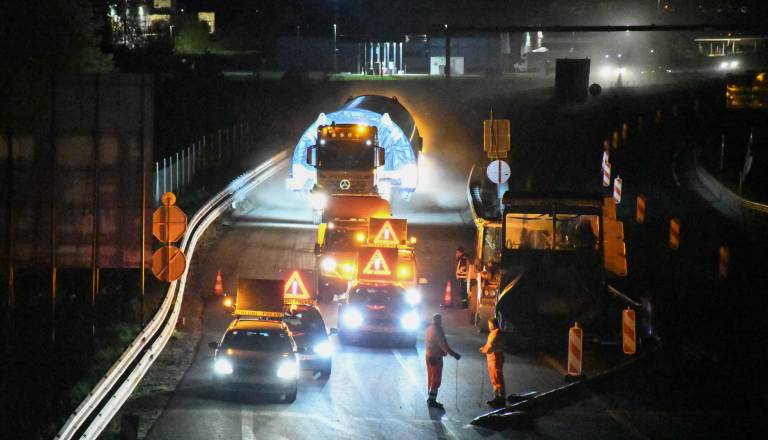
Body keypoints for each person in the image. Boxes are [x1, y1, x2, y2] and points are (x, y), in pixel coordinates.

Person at [424, 314, 461, 409]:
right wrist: (454, 354)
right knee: (436, 379)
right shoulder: (438, 330)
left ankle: (430, 398)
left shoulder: (429, 329)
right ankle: (432, 400)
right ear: (439, 320)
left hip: (429, 355)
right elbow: (443, 345)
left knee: (431, 377)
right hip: (436, 357)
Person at [479, 318, 505, 407]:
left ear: (493, 324)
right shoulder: (492, 333)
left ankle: (501, 399)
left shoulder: (497, 333)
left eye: (489, 324)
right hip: (491, 359)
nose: (489, 326)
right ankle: (496, 398)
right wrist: (484, 348)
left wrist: (484, 349)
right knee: (494, 379)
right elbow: (489, 345)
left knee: (498, 378)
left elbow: (491, 345)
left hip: (496, 359)